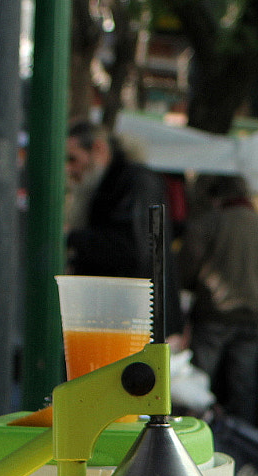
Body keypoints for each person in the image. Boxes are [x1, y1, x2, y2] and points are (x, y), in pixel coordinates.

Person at [178, 175, 258, 425]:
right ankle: (241, 441)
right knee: (244, 387)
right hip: (256, 316)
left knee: (198, 384)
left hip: (216, 314)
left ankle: (194, 438)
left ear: (217, 198)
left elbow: (186, 271)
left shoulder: (209, 223)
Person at [64, 121, 184, 335]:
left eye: (73, 159)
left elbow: (131, 249)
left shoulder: (133, 183)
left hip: (136, 324)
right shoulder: (121, 183)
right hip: (128, 320)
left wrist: (72, 237)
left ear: (98, 149)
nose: (69, 169)